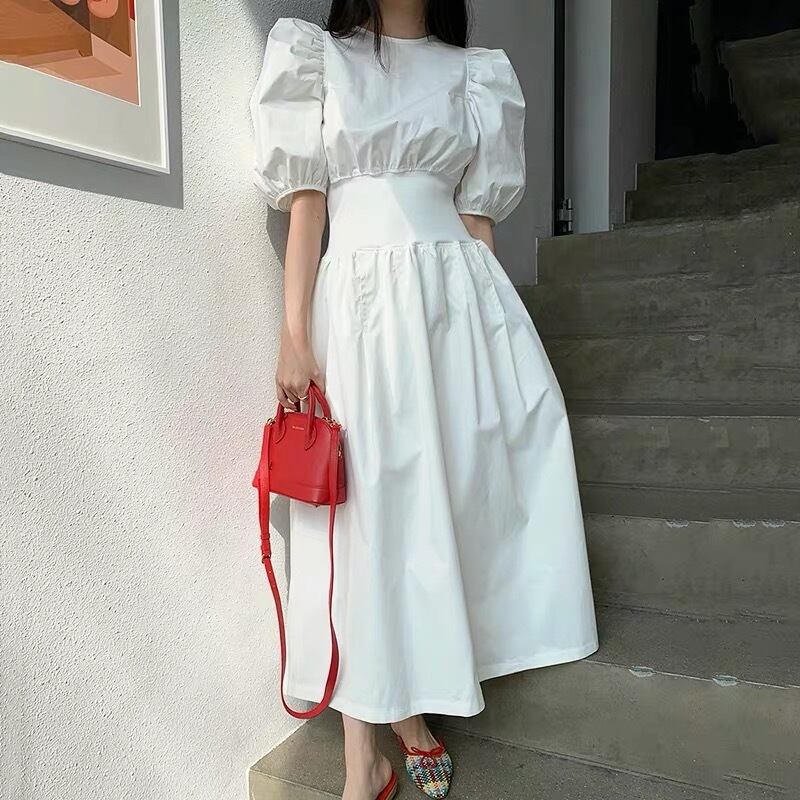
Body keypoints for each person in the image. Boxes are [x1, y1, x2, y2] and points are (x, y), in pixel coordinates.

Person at [249, 2, 598, 798]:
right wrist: (293, 333)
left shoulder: (474, 73)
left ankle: (406, 710)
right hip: (361, 313)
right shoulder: (317, 57)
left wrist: (496, 342)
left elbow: (476, 225)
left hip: (454, 309)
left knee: (443, 497)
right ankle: (364, 754)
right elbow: (308, 207)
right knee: (361, 515)